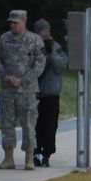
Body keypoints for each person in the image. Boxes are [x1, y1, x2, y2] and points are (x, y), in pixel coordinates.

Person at [0, 10, 45, 170]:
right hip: (8, 89)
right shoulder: (4, 39)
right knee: (7, 123)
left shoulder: (35, 40)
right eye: (10, 22)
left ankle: (29, 157)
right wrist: (6, 77)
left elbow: (40, 62)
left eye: (15, 22)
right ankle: (8, 158)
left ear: (24, 22)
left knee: (28, 124)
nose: (12, 25)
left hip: (27, 91)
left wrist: (23, 80)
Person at [32, 19, 69, 167]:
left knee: (49, 126)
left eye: (47, 30)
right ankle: (34, 152)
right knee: (35, 126)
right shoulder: (31, 45)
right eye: (42, 31)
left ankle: (46, 153)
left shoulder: (56, 47)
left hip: (51, 94)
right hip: (35, 93)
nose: (46, 33)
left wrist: (51, 52)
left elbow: (61, 67)